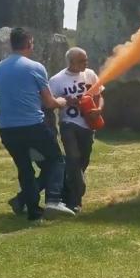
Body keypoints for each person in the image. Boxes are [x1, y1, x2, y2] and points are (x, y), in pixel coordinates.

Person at [0, 27, 75, 220]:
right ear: (29, 42)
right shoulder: (35, 67)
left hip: (6, 128)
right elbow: (49, 102)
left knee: (25, 168)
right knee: (56, 160)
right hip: (32, 125)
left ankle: (33, 211)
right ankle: (54, 201)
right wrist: (62, 102)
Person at [49, 47, 104, 213]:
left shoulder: (90, 74)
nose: (86, 63)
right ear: (71, 62)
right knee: (73, 159)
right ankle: (75, 200)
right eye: (82, 60)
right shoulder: (57, 79)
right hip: (68, 124)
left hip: (88, 125)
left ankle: (67, 194)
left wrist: (99, 109)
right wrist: (65, 99)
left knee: (82, 162)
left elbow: (99, 95)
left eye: (86, 59)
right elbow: (50, 102)